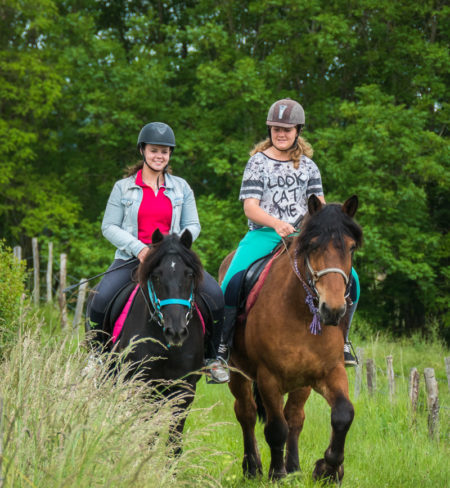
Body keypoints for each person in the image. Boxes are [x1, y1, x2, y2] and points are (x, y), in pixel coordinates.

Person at [219, 98, 359, 366]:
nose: (281, 134)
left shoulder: (309, 166)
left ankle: (343, 339)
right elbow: (250, 207)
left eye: (287, 129)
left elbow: (319, 207)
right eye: (276, 129)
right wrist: (275, 223)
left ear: (298, 131)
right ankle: (220, 348)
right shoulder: (257, 163)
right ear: (270, 130)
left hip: (303, 238)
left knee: (352, 278)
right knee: (231, 282)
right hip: (263, 234)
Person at [88, 121, 229, 383]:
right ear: (142, 151)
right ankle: (97, 358)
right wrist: (139, 248)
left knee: (215, 296)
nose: (159, 156)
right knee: (100, 299)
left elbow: (193, 224)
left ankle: (212, 359)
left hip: (172, 259)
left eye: (164, 152)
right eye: (154, 150)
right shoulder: (123, 188)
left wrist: (179, 245)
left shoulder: (181, 187)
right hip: (132, 258)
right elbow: (108, 226)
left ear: (169, 155)